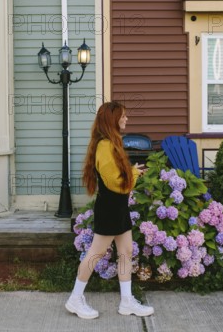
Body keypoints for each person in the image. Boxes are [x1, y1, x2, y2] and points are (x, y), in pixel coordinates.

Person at [65, 101, 154, 320]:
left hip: (118, 206)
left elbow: (117, 177)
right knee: (95, 253)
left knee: (126, 252)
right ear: (112, 119)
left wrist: (131, 170)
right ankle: (75, 299)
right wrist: (132, 175)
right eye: (123, 116)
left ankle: (126, 302)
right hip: (110, 208)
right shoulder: (105, 145)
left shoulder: (112, 142)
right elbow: (115, 182)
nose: (126, 119)